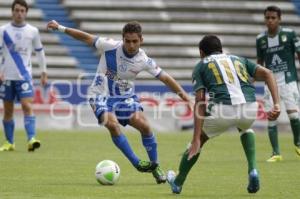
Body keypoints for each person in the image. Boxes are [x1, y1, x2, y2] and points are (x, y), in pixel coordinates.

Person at [46, 20, 192, 184]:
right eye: (127, 41)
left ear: (141, 40)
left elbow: (165, 78)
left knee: (144, 126)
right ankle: (137, 163)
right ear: (122, 39)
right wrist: (61, 28)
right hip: (99, 95)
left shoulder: (143, 59)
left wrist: (185, 97)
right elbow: (86, 38)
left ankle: (155, 166)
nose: (131, 45)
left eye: (134, 41)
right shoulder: (110, 46)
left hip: (124, 97)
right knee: (112, 124)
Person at [166, 35, 280, 194]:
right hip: (250, 107)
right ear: (221, 49)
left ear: (201, 52)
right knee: (245, 129)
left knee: (199, 141)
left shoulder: (201, 65)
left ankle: (177, 182)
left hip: (222, 109)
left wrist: (196, 138)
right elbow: (268, 73)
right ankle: (253, 169)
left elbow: (200, 101)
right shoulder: (239, 59)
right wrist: (276, 104)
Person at [0, 0, 47, 152]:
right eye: (17, 10)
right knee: (8, 110)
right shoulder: (3, 30)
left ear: (26, 13)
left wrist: (43, 71)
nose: (19, 13)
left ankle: (31, 139)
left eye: (22, 11)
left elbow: (40, 52)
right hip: (6, 76)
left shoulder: (32, 31)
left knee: (27, 106)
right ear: (12, 12)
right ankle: (9, 142)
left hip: (24, 76)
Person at [256, 5, 300, 162]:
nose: (270, 20)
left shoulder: (289, 35)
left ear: (279, 19)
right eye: (267, 17)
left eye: (273, 18)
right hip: (270, 83)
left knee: (294, 114)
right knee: (271, 116)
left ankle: (298, 144)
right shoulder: (260, 39)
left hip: (289, 80)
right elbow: (259, 62)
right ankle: (276, 153)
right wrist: (254, 78)